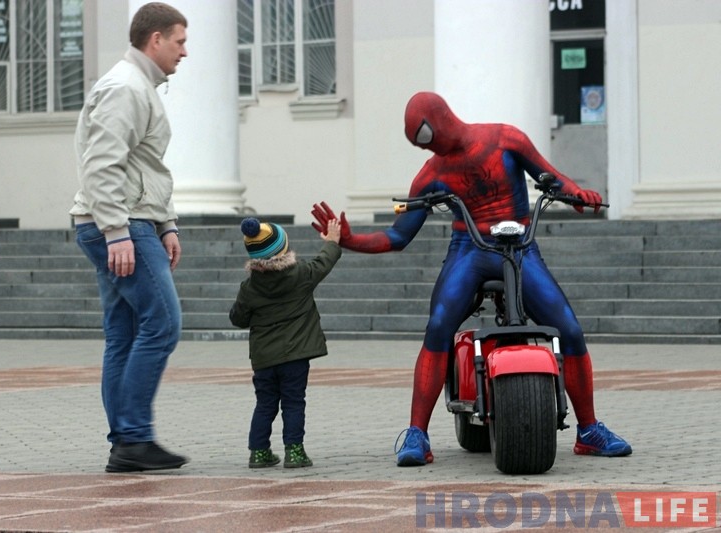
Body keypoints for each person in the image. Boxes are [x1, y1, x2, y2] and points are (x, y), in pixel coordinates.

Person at [311, 91, 632, 467]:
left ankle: (589, 430)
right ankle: (417, 433)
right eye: (419, 144)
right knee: (438, 327)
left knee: (571, 331)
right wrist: (349, 240)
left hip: (519, 245)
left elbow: (552, 178)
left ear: (442, 119)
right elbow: (398, 236)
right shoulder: (432, 174)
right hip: (470, 248)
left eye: (426, 138)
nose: (427, 148)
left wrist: (577, 194)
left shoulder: (505, 139)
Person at [69, 2, 189, 473]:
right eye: (179, 41)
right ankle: (134, 438)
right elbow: (102, 164)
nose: (184, 51)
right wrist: (117, 231)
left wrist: (167, 223)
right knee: (163, 324)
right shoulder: (126, 87)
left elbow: (144, 166)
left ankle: (127, 442)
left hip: (127, 222)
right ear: (155, 40)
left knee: (124, 334)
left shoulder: (138, 85)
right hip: (121, 225)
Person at [229, 217, 342, 469]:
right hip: (295, 356)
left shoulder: (249, 287)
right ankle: (295, 451)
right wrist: (332, 242)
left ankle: (259, 452)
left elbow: (238, 318)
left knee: (265, 403)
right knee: (293, 402)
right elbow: (324, 262)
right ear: (284, 248)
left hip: (264, 359)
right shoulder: (301, 274)